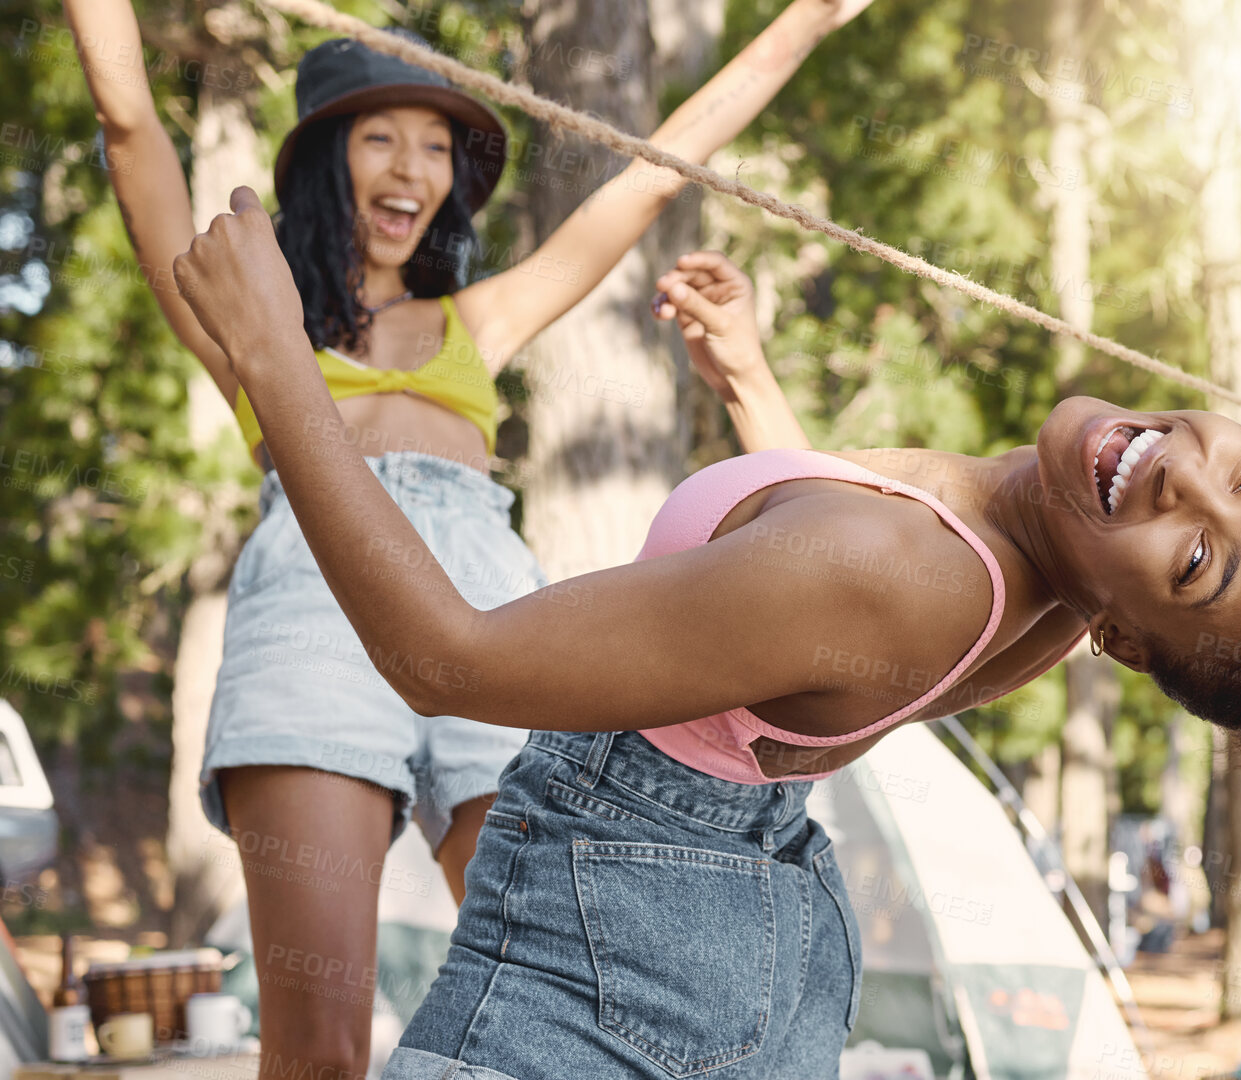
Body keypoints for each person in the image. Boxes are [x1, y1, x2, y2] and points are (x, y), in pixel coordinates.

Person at [171, 180, 1241, 1073]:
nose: (1193, 480)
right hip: (730, 923)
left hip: (615, 953)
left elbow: (446, 660)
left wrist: (279, 361)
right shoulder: (1039, 587)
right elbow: (812, 610)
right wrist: (755, 387)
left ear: (1126, 636)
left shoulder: (896, 572)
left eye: (1197, 563)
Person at [63, 0, 873, 1074]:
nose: (415, 166)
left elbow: (652, 173)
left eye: (439, 144)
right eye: (382, 135)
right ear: (325, 161)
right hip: (313, 609)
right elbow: (130, 128)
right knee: (319, 1047)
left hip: (493, 605)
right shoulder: (251, 319)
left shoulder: (475, 324)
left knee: (563, 991)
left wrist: (805, 22)